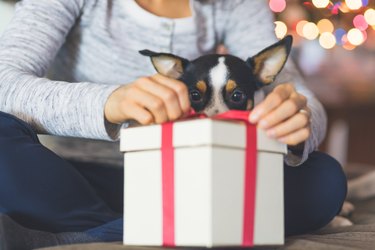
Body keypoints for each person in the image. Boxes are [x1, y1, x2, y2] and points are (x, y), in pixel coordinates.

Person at [0, 0, 347, 245]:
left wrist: (300, 120)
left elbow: (298, 93)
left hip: (197, 183)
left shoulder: (236, 5)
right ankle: (182, 229)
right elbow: (4, 83)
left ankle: (96, 230)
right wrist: (109, 102)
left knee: (324, 178)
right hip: (75, 175)